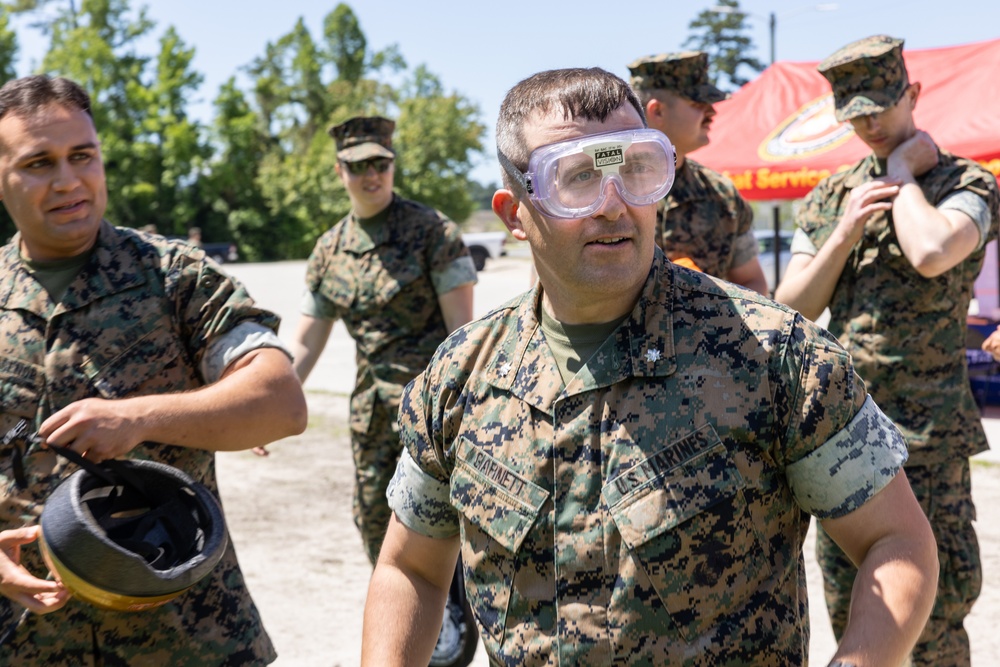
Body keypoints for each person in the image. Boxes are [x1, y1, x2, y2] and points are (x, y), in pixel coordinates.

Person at [361, 66, 938, 666]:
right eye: (577, 179)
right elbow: (411, 567)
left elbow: (895, 540)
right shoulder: (461, 377)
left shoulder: (772, 355)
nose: (615, 206)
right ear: (514, 212)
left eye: (637, 169)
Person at [0, 75, 307, 664]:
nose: (68, 181)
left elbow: (281, 401)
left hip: (185, 639)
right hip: (27, 643)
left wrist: (138, 416)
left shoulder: (174, 278)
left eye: (82, 156)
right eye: (39, 163)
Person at [773, 35, 999, 667]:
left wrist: (902, 179)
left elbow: (931, 254)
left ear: (913, 95)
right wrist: (844, 231)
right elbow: (791, 309)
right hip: (845, 433)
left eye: (881, 106)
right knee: (856, 608)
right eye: (854, 112)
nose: (869, 123)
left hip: (930, 433)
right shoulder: (830, 196)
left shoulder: (967, 181)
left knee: (938, 612)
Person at [277, 116, 478, 662]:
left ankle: (453, 620)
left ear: (392, 165)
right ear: (339, 171)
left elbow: (465, 336)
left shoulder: (431, 231)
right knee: (374, 519)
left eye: (380, 164)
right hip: (372, 414)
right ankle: (414, 623)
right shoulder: (330, 248)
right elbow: (306, 339)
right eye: (359, 166)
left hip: (435, 413)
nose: (372, 175)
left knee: (447, 524)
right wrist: (274, 396)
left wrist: (464, 410)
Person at [627, 51, 768, 295]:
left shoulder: (720, 193)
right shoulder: (607, 189)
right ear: (657, 111)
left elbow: (753, 283)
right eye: (698, 104)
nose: (712, 113)